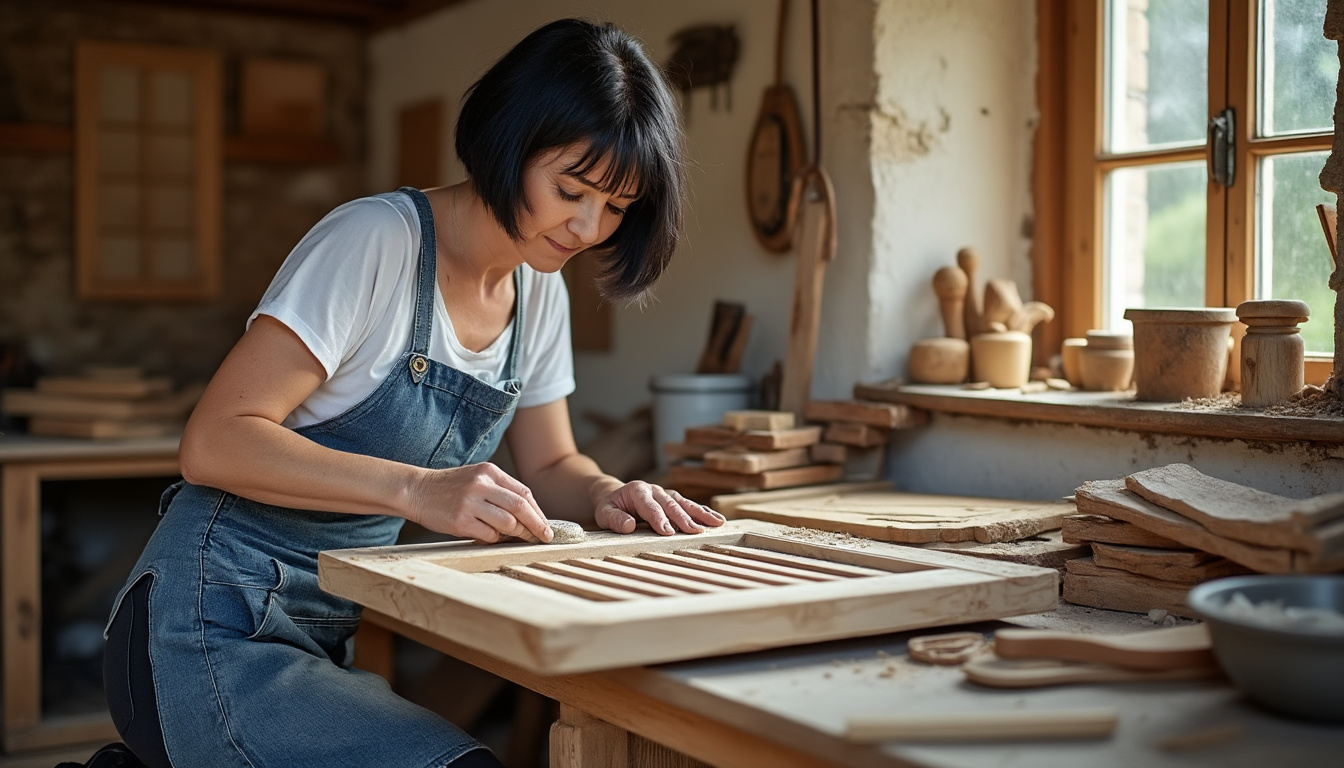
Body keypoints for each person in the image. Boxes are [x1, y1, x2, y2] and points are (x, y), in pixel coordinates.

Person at [97, 18, 720, 768]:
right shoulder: (374, 242)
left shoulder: (538, 286)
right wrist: (419, 490)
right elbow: (213, 440)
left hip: (321, 634)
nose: (588, 227)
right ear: (508, 142)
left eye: (617, 206)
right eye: (570, 190)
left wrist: (606, 494)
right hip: (207, 624)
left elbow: (552, 463)